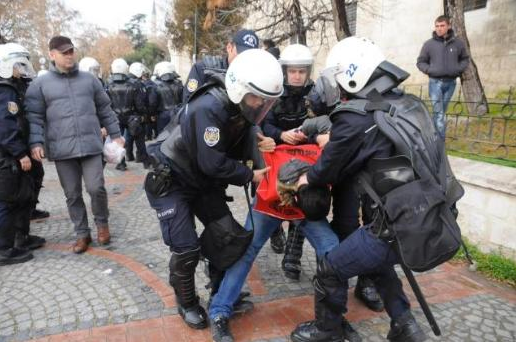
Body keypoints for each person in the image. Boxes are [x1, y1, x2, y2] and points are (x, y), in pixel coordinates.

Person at [290, 37, 428, 342]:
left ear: (353, 76)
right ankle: (406, 326)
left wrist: (306, 179)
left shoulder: (355, 118)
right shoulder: (407, 104)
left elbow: (328, 169)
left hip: (393, 223)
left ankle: (329, 331)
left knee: (331, 268)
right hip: (427, 214)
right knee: (377, 263)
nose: (339, 89)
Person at [144, 49, 283, 331]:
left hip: (202, 183)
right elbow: (213, 163)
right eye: (257, 97)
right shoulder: (208, 107)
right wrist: (249, 174)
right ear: (241, 88)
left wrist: (257, 138)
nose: (260, 104)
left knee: (227, 237)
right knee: (186, 249)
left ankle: (220, 293)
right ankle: (187, 301)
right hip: (173, 182)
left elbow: (241, 132)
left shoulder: (240, 106)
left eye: (265, 100)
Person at [208, 147, 361, 342]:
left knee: (332, 251)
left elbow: (334, 138)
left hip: (305, 198)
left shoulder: (318, 124)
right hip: (270, 199)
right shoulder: (265, 117)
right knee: (245, 251)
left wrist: (313, 132)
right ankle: (219, 312)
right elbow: (254, 130)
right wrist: (277, 133)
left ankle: (333, 318)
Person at [25, 35, 124, 254]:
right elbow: (34, 117)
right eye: (64, 52)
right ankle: (82, 233)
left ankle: (102, 225)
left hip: (90, 145)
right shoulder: (40, 84)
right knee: (72, 194)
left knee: (96, 188)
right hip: (62, 150)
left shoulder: (89, 80)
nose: (69, 55)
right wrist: (35, 142)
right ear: (52, 55)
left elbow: (105, 109)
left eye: (71, 51)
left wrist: (116, 134)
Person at [261, 43, 327, 280]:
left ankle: (293, 255)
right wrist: (280, 135)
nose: (297, 76)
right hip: (276, 155)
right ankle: (274, 230)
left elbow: (323, 122)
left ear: (308, 72)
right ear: (285, 71)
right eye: (293, 71)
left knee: (302, 200)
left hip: (305, 157)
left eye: (302, 71)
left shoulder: (316, 94)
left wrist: (311, 135)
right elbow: (264, 123)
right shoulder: (275, 92)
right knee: (273, 198)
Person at [0, 42, 46, 265]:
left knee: (22, 196)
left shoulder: (13, 86)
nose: (22, 69)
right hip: (8, 155)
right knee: (8, 200)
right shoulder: (4, 89)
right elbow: (5, 126)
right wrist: (20, 153)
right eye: (18, 64)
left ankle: (21, 237)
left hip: (14, 152)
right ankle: (4, 249)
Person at [416, 15, 469, 140]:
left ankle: (431, 134)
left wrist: (458, 69)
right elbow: (420, 62)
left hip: (451, 83)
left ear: (448, 26)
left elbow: (465, 59)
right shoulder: (429, 44)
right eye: (437, 26)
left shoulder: (458, 43)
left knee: (440, 112)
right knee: (439, 113)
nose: (439, 29)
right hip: (435, 83)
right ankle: (440, 141)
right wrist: (430, 70)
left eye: (442, 26)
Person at [182, 29, 259, 103]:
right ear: (229, 48)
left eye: (250, 56)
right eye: (241, 54)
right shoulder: (203, 69)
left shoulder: (256, 79)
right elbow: (188, 106)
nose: (244, 59)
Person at [106, 59, 149, 170]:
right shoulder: (134, 84)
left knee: (118, 140)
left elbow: (106, 103)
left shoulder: (108, 84)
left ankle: (121, 163)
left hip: (116, 117)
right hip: (132, 116)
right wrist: (143, 114)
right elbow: (139, 104)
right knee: (139, 140)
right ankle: (146, 162)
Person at [153, 61, 183, 133]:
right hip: (177, 113)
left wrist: (153, 114)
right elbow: (184, 100)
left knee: (162, 137)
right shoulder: (179, 84)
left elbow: (153, 103)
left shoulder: (156, 85)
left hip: (163, 115)